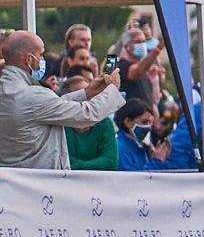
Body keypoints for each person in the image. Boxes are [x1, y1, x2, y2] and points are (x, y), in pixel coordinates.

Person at [1, 30, 128, 169]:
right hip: (39, 184)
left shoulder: (10, 90)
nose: (43, 60)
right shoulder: (32, 95)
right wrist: (113, 89)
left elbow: (49, 106)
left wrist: (87, 93)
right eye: (41, 54)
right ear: (29, 59)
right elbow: (86, 114)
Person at [115, 98, 172, 170]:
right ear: (128, 122)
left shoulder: (141, 145)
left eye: (151, 122)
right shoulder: (119, 147)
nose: (148, 127)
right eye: (144, 122)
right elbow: (133, 179)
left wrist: (162, 159)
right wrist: (156, 161)